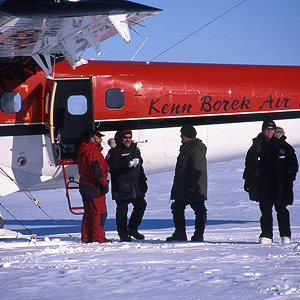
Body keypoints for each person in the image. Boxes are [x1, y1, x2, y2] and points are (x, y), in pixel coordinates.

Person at [243, 120, 298, 245]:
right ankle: (266, 235)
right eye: (267, 129)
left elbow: (293, 165)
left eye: (272, 129)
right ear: (263, 130)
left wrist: (289, 178)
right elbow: (249, 166)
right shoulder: (257, 146)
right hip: (263, 184)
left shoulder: (283, 146)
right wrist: (248, 181)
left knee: (281, 209)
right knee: (265, 211)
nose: (269, 132)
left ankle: (285, 235)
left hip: (280, 185)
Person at [166, 125, 208, 242]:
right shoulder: (188, 147)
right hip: (184, 185)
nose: (181, 137)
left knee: (199, 209)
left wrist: (193, 185)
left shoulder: (195, 148)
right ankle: (180, 233)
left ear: (187, 136)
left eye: (182, 135)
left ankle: (198, 234)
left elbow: (197, 168)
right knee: (177, 207)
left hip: (193, 186)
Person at [106, 128, 147, 242]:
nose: (128, 140)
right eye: (125, 138)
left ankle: (133, 228)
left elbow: (140, 166)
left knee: (141, 205)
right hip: (122, 186)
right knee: (122, 211)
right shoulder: (114, 152)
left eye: (129, 137)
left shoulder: (135, 149)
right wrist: (127, 166)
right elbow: (113, 168)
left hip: (135, 186)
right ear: (120, 138)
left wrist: (143, 181)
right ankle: (123, 234)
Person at [77, 130, 110, 243]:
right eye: (99, 137)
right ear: (92, 139)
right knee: (98, 212)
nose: (101, 139)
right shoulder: (93, 151)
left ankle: (87, 237)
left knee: (89, 212)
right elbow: (97, 170)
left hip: (84, 184)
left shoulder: (84, 149)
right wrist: (104, 183)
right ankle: (97, 238)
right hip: (93, 185)